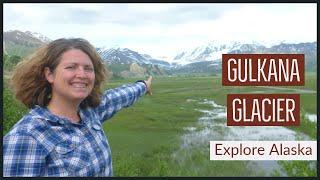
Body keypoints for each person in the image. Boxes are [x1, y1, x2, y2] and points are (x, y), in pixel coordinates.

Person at [3, 38, 152, 177]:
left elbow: (120, 96)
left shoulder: (90, 111)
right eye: (71, 67)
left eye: (88, 68)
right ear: (50, 75)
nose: (82, 74)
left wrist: (143, 86)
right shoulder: (26, 137)